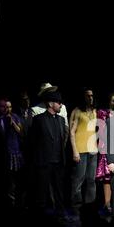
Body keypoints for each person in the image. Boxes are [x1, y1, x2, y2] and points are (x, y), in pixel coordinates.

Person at [30, 90, 68, 218]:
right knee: (41, 192)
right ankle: (41, 216)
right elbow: (32, 141)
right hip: (44, 162)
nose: (61, 105)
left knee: (59, 190)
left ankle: (61, 213)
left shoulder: (61, 120)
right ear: (51, 104)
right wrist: (37, 160)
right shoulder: (38, 119)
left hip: (58, 161)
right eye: (59, 102)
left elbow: (62, 140)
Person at [70, 88, 98, 213]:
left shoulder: (95, 111)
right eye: (88, 96)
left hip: (93, 150)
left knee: (91, 179)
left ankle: (90, 207)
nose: (90, 98)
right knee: (79, 179)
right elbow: (71, 132)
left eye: (92, 96)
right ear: (84, 97)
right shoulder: (77, 111)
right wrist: (74, 151)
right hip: (81, 149)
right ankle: (76, 207)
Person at [96, 92, 114, 213]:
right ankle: (107, 203)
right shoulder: (103, 113)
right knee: (107, 177)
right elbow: (100, 130)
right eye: (113, 100)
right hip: (106, 146)